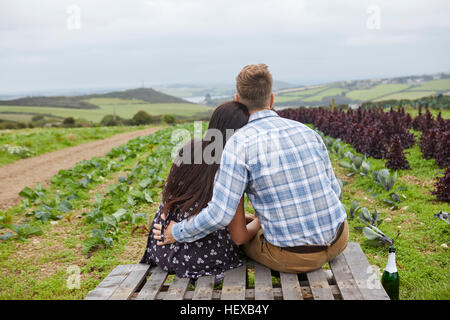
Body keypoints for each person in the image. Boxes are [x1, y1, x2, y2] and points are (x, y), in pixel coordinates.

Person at [153, 64, 348, 273]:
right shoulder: (308, 132)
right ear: (272, 99)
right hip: (339, 238)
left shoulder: (238, 144)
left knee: (238, 238)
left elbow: (220, 215)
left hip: (295, 257)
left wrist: (177, 232)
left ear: (238, 100)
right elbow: (335, 190)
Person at [140, 101, 261, 280]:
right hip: (204, 259)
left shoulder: (190, 148)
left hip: (162, 248)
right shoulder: (231, 165)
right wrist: (261, 222)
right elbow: (239, 236)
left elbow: (177, 200)